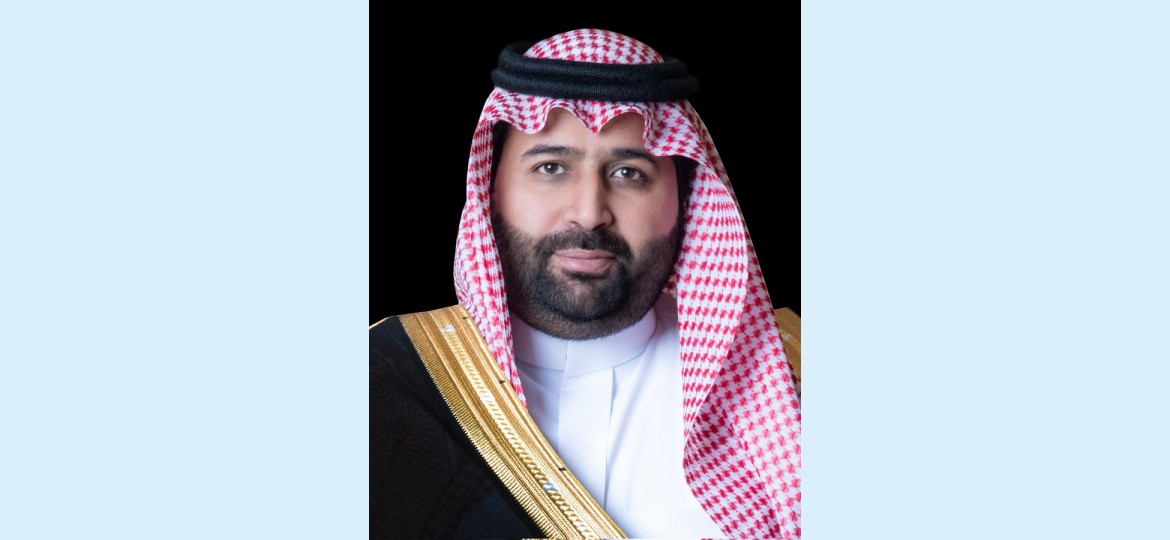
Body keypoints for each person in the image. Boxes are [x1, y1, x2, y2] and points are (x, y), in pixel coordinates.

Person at [370, 28, 801, 539]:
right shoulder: (382, 381)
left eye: (628, 173)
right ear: (491, 190)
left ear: (684, 202)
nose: (589, 213)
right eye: (551, 167)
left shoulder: (796, 382)